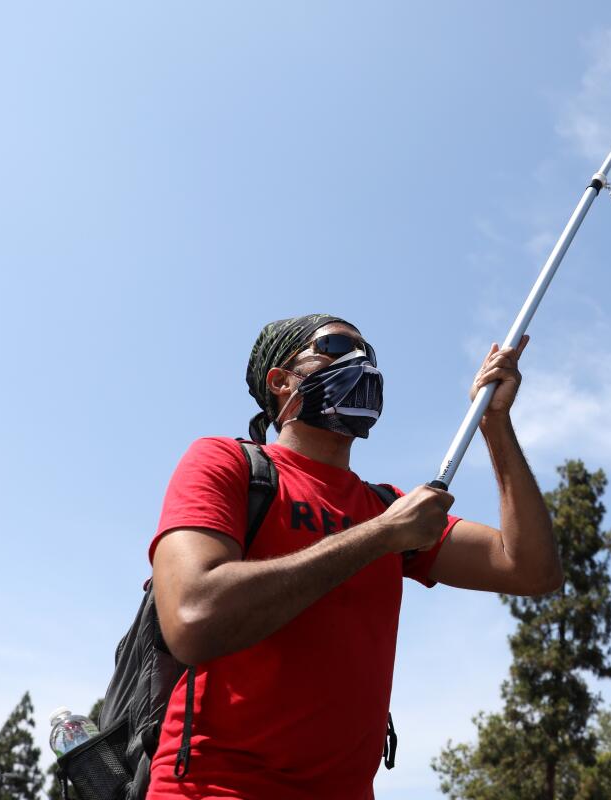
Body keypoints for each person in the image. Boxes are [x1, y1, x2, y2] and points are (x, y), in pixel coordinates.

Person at [147, 314, 561, 799]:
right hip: (214, 788)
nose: (361, 364)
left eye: (369, 355)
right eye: (338, 346)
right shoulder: (226, 463)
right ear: (280, 381)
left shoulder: (389, 507)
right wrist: (379, 537)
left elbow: (531, 568)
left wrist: (495, 423)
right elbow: (194, 618)